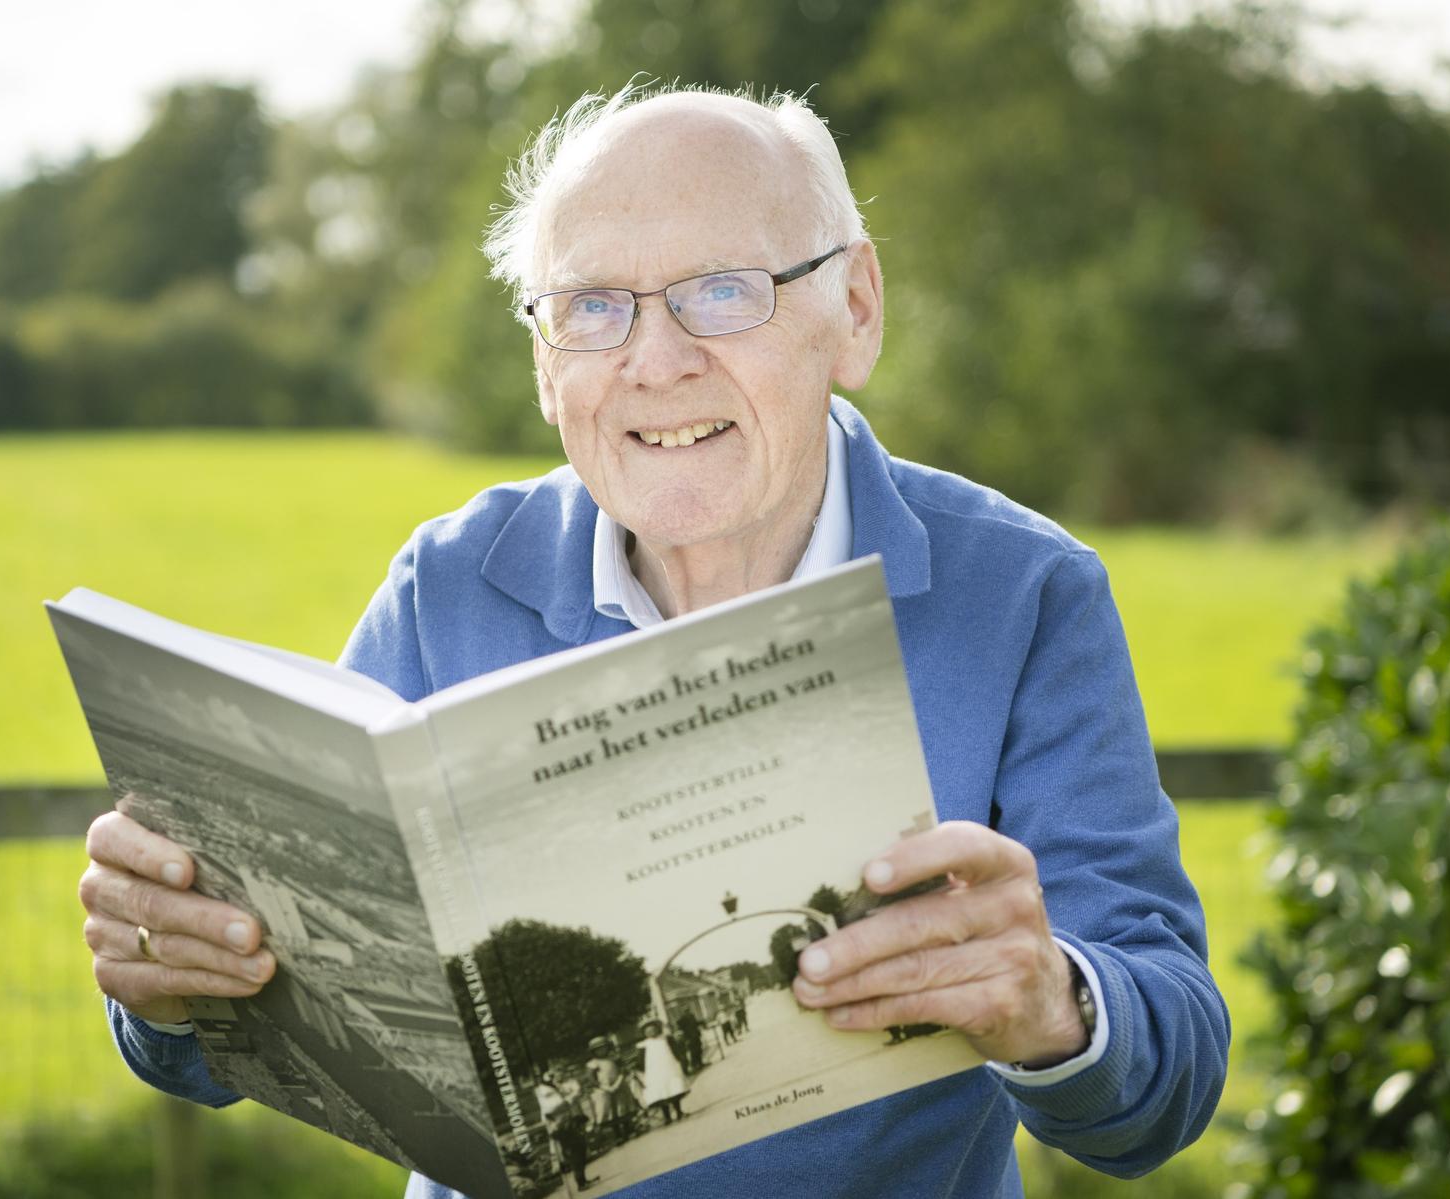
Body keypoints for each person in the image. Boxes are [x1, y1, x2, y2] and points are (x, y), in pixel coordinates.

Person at [77, 83, 1230, 1197]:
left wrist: (1053, 1001)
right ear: (543, 363)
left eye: (721, 290)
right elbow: (226, 1034)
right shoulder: (447, 585)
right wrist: (177, 984)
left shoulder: (1024, 592)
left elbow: (1164, 1082)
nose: (656, 358)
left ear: (856, 309)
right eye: (592, 306)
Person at [634, 1019, 690, 1126]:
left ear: (657, 1029)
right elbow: (640, 1060)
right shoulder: (643, 1045)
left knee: (674, 1089)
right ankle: (667, 1117)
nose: (651, 1032)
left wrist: (681, 1060)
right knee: (660, 1093)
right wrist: (639, 1069)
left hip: (669, 1067)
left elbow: (676, 1051)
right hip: (654, 1072)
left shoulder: (666, 1039)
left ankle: (679, 1111)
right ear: (644, 1033)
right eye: (648, 1031)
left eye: (653, 1029)